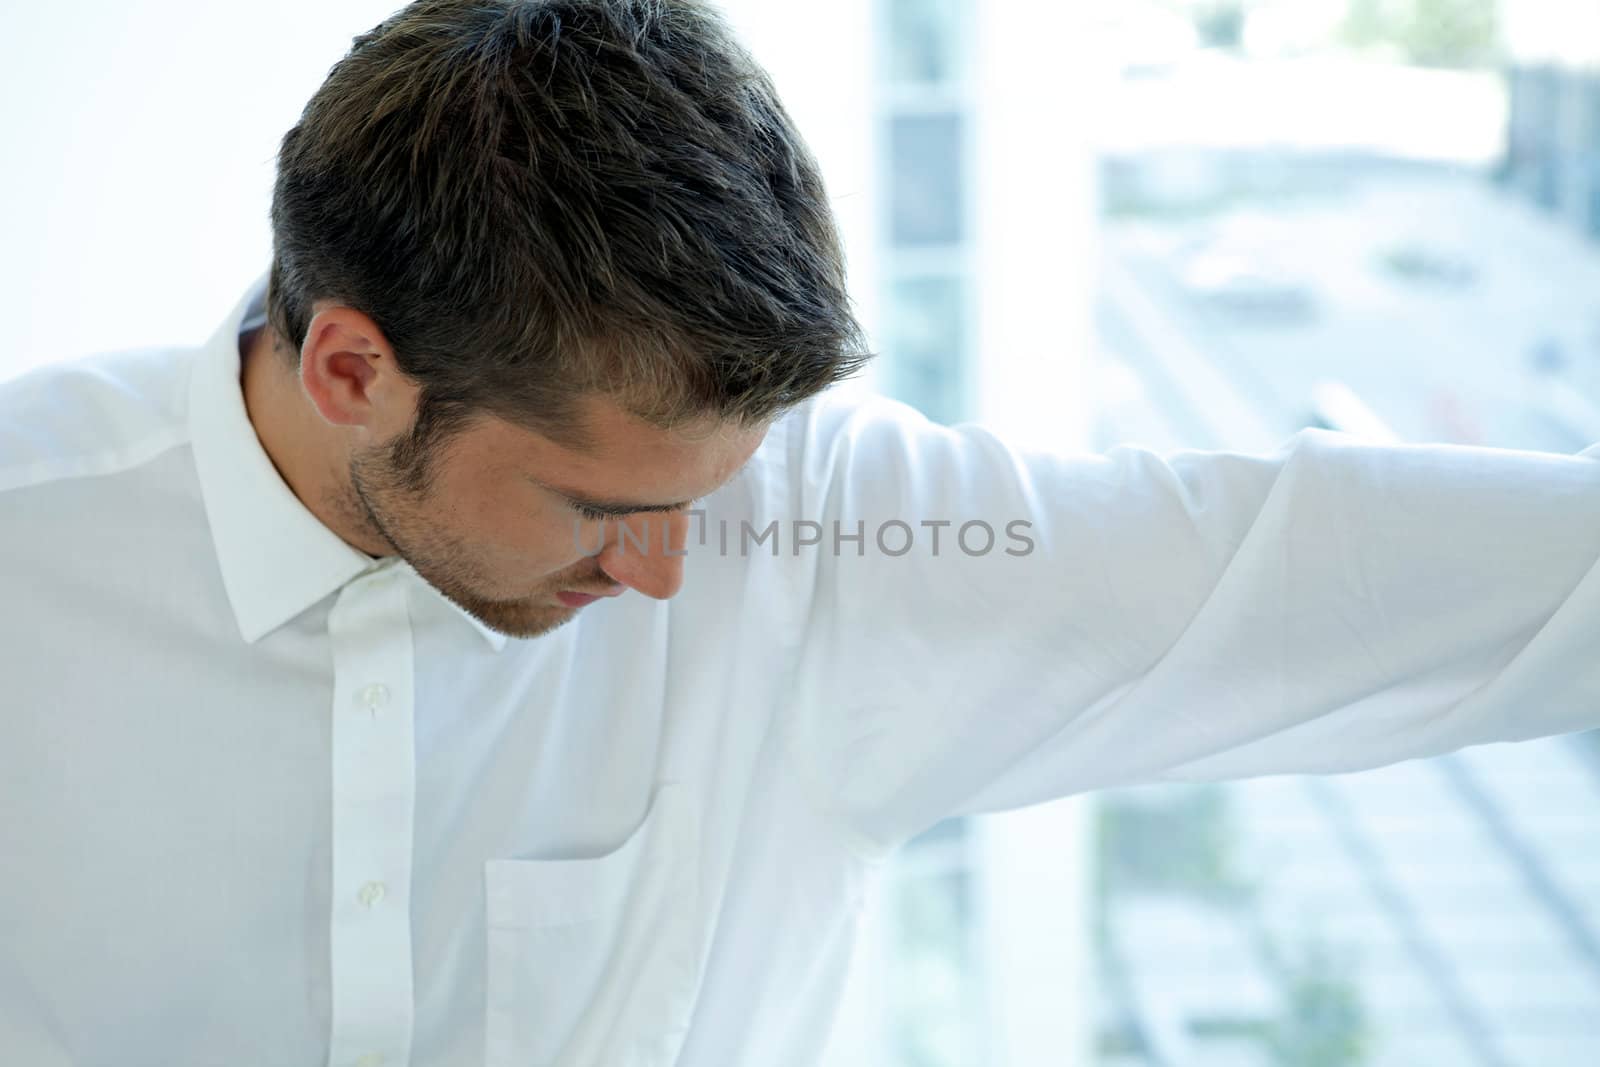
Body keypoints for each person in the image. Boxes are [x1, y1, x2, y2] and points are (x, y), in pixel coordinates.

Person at [3, 2, 1598, 1064]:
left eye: (705, 499)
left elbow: (1307, 563)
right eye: (603, 506)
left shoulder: (822, 540)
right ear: (355, 368)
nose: (669, 571)